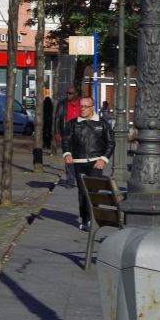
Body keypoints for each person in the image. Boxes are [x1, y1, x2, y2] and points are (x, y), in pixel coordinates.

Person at [62, 96, 115, 230]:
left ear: (92, 107)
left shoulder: (102, 124)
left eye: (85, 106)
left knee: (94, 191)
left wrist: (103, 159)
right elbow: (66, 140)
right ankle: (85, 219)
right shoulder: (73, 123)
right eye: (81, 106)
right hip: (78, 162)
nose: (82, 109)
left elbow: (110, 143)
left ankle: (94, 219)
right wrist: (67, 153)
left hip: (95, 162)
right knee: (82, 192)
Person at [54, 88, 80, 185]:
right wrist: (57, 132)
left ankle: (79, 178)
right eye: (67, 93)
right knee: (68, 156)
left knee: (79, 157)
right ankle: (70, 180)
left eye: (70, 93)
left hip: (80, 134)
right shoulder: (62, 104)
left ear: (76, 94)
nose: (68, 95)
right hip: (66, 133)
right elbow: (57, 118)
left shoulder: (81, 103)